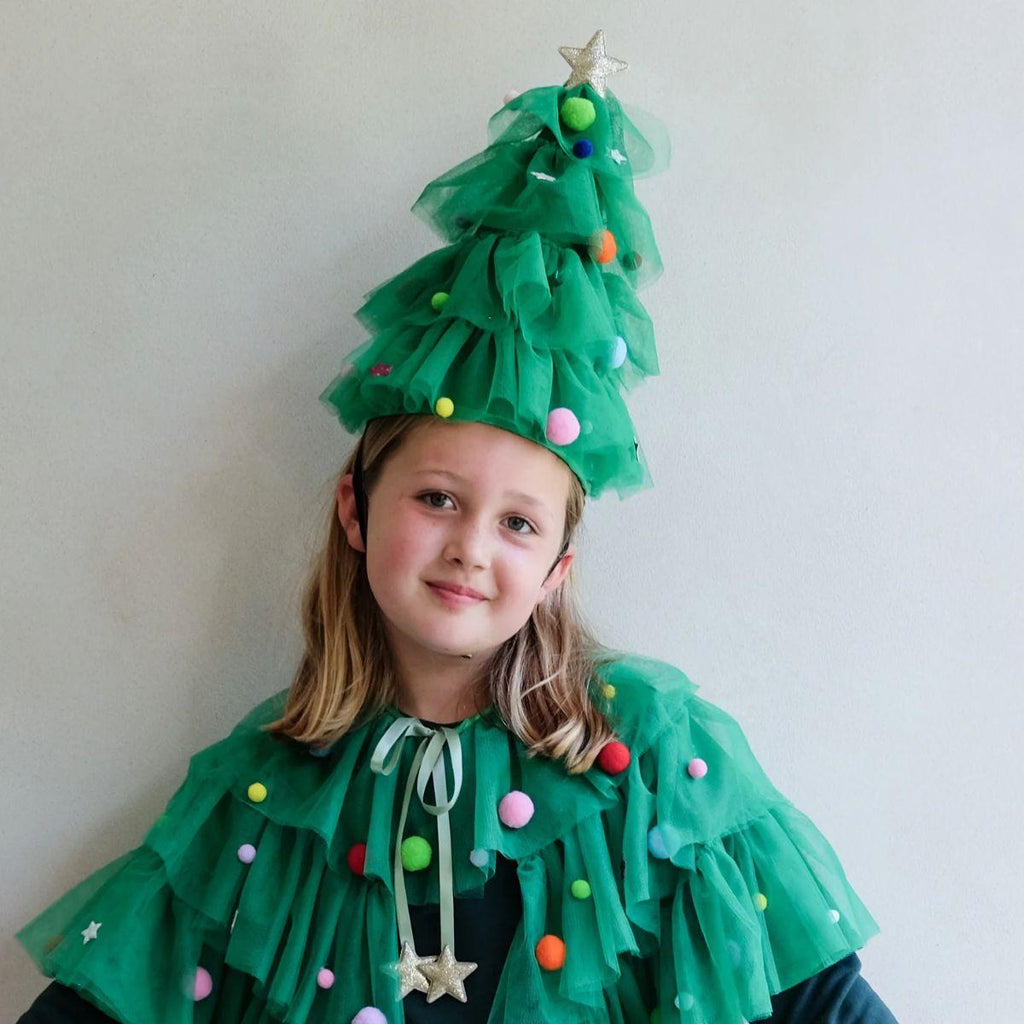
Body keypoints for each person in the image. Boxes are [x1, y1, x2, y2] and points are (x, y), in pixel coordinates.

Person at [16, 31, 899, 1024]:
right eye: (436, 498)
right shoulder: (265, 793)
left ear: (558, 566)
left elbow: (825, 1002)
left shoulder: (653, 754)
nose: (471, 547)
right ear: (355, 508)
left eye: (518, 522)